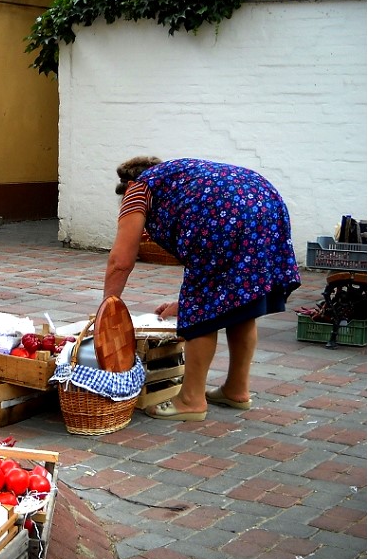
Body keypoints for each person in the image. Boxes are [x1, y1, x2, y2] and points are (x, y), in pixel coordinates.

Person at [103, 156, 301, 421]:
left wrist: (107, 308)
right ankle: (236, 389)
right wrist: (182, 304)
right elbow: (220, 283)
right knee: (242, 301)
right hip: (266, 202)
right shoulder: (179, 175)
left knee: (200, 312)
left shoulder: (138, 188)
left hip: (225, 218)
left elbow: (120, 261)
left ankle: (191, 400)